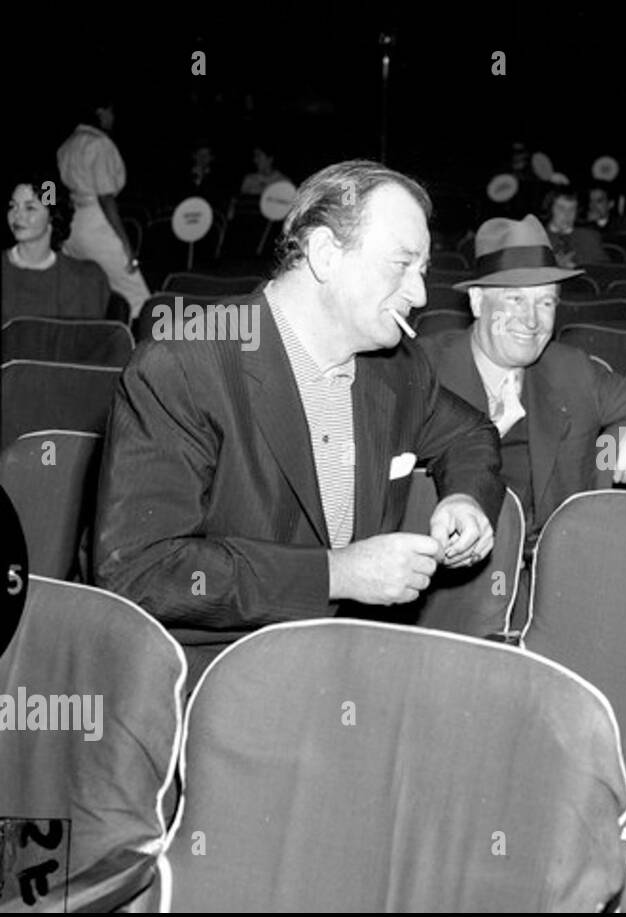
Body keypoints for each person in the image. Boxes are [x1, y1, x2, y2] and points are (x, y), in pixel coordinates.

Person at [94, 160, 504, 681]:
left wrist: (465, 496)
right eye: (401, 264)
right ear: (326, 254)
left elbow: (471, 434)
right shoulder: (183, 363)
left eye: (422, 271)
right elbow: (140, 571)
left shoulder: (400, 369)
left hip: (344, 667)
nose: (420, 295)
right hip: (207, 674)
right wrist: (336, 574)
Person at [420, 214, 626, 622]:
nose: (531, 320)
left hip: (554, 589)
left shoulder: (571, 371)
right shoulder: (422, 369)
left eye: (545, 301)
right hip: (446, 590)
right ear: (478, 301)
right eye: (515, 298)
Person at [56, 99, 150, 320]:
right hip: (96, 222)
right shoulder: (98, 143)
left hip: (74, 225)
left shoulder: (67, 144)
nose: (112, 117)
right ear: (100, 112)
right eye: (110, 112)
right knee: (137, 297)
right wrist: (125, 244)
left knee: (97, 291)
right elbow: (105, 197)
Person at [3, 177, 110, 325]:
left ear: (52, 216)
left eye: (30, 208)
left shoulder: (85, 278)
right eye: (13, 206)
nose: (17, 215)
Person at [542, 186, 607, 267]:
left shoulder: (590, 237)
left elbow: (603, 271)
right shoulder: (537, 237)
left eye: (572, 209)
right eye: (561, 208)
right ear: (550, 209)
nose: (567, 214)